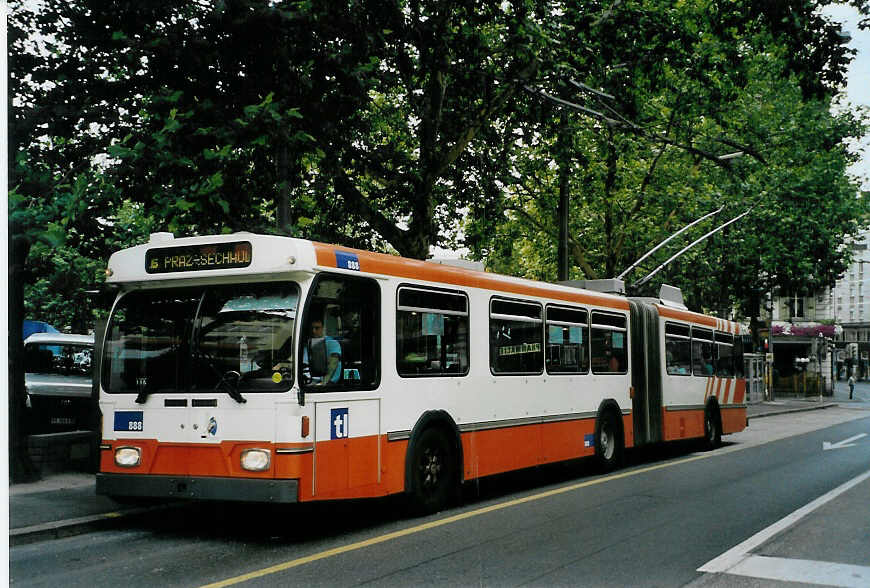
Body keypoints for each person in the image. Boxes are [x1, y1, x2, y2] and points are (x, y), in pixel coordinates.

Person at [303, 319, 342, 385]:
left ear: (323, 328)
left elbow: (333, 365)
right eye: (312, 328)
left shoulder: (332, 343)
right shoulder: (305, 344)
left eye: (317, 328)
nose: (314, 331)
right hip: (304, 381)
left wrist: (323, 384)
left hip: (322, 383)